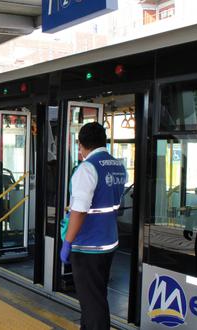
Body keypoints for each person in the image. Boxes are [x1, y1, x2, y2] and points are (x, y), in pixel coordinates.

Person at [60, 123, 126, 330]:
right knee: (96, 296)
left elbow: (79, 211)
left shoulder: (87, 168)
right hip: (109, 242)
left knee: (92, 302)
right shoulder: (117, 165)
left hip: (88, 245)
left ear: (81, 144)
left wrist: (67, 242)